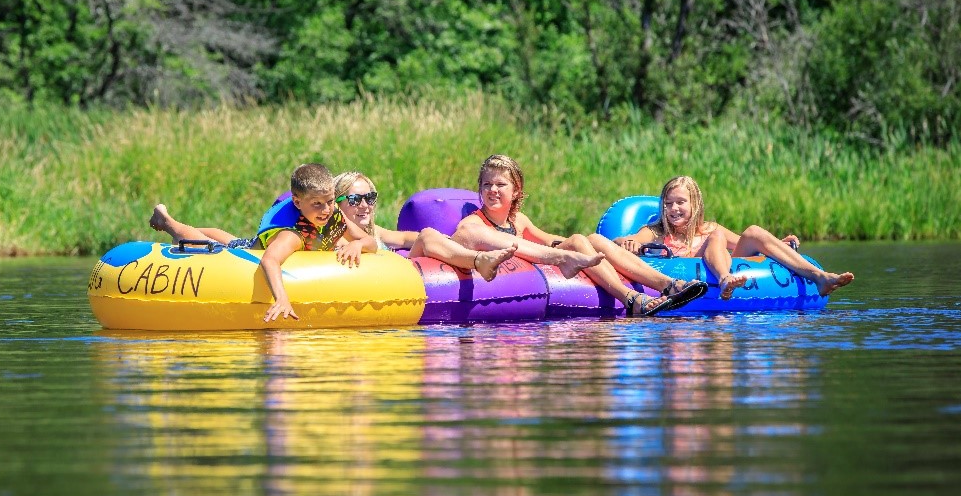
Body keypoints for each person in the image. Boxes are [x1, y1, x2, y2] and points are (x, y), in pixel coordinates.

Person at [451, 154, 707, 317]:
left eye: (500, 185)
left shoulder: (518, 220)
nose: (493, 190)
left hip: (541, 258)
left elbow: (547, 238)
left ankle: (667, 285)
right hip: (511, 275)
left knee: (589, 240)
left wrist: (577, 245)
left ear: (516, 191)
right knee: (579, 241)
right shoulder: (475, 223)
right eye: (487, 185)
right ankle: (629, 298)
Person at [614, 175, 855, 299]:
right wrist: (628, 242)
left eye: (680, 202)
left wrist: (778, 246)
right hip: (687, 281)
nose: (674, 209)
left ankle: (821, 278)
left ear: (695, 204)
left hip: (723, 273)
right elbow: (624, 241)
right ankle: (724, 279)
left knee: (750, 231)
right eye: (668, 204)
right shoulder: (656, 231)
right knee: (718, 235)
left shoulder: (709, 228)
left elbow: (747, 241)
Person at [333, 171, 518, 281]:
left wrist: (445, 242)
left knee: (427, 234)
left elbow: (406, 238)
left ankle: (478, 258)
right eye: (355, 199)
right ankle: (478, 260)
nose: (365, 205)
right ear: (335, 203)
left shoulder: (375, 232)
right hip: (386, 281)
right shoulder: (337, 238)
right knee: (427, 235)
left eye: (370, 198)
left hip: (401, 278)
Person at [256, 163, 377, 322]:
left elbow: (371, 242)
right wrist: (281, 298)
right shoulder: (292, 234)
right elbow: (270, 260)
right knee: (233, 242)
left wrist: (357, 244)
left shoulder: (334, 214)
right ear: (298, 203)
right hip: (249, 248)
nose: (326, 210)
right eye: (317, 204)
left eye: (330, 201)